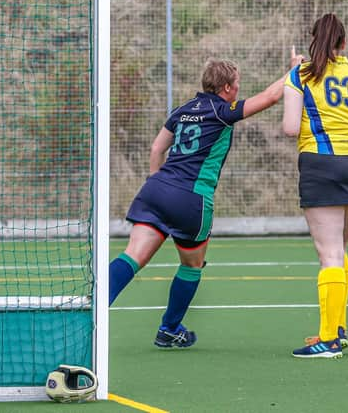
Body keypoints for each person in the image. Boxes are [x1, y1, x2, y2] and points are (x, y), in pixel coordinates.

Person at [108, 51, 303, 348]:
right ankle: (169, 328)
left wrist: (159, 183)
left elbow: (156, 149)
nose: (239, 88)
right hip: (191, 198)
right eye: (237, 84)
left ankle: (92, 312)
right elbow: (270, 97)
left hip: (155, 189)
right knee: (192, 265)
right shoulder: (223, 110)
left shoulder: (182, 110)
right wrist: (294, 71)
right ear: (226, 88)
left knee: (131, 256)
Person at [282, 13, 348, 359]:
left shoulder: (300, 75)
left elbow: (289, 128)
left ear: (314, 40)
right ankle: (337, 330)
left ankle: (329, 339)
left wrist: (293, 74)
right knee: (338, 250)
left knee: (328, 253)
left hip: (321, 165)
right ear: (344, 43)